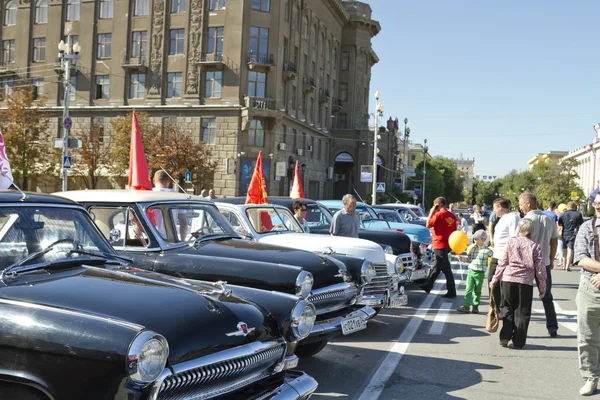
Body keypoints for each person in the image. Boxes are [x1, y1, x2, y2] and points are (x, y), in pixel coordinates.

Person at [490, 218, 546, 349]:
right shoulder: (535, 246)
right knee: (522, 311)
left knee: (507, 308)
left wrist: (495, 279)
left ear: (519, 230)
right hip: (525, 282)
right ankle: (519, 341)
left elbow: (502, 262)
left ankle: (505, 337)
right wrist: (542, 287)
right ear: (532, 231)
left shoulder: (511, 242)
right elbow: (540, 269)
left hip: (508, 279)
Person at [519, 192, 559, 337]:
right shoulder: (548, 219)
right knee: (547, 296)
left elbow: (521, 244)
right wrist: (552, 258)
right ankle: (552, 327)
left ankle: (521, 329)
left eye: (521, 204)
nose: (521, 208)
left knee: (524, 297)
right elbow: (554, 241)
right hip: (545, 263)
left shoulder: (526, 220)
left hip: (527, 264)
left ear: (528, 204)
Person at [573, 194, 600, 396]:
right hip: (590, 287)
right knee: (587, 336)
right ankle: (591, 377)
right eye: (596, 202)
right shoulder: (586, 227)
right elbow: (581, 258)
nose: (598, 205)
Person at [421, 197, 458, 298]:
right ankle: (428, 285)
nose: (434, 207)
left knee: (446, 269)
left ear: (438, 205)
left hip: (439, 244)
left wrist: (431, 212)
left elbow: (428, 224)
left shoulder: (438, 214)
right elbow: (455, 230)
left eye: (434, 205)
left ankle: (451, 291)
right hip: (448, 244)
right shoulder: (451, 216)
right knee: (437, 267)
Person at [489, 197, 520, 312]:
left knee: (501, 284)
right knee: (492, 282)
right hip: (497, 254)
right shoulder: (502, 218)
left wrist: (509, 258)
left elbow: (514, 238)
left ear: (499, 207)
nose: (493, 211)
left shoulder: (513, 218)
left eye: (494, 208)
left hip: (505, 257)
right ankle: (497, 308)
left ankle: (502, 309)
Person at [457, 229, 493, 314]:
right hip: (471, 271)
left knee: (477, 290)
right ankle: (466, 306)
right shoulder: (472, 248)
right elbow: (469, 259)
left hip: (480, 273)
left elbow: (494, 257)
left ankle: (475, 306)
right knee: (468, 289)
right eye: (474, 238)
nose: (475, 240)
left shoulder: (487, 250)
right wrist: (461, 258)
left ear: (483, 239)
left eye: (477, 239)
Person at [149, 170, 188, 240]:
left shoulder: (146, 195)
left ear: (153, 180)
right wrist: (182, 241)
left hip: (151, 239)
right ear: (169, 181)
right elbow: (183, 223)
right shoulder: (178, 197)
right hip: (171, 239)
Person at [559, 201, 584, 271]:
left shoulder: (563, 214)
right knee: (570, 249)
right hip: (573, 234)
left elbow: (560, 223)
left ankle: (563, 265)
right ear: (574, 207)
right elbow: (582, 224)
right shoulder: (578, 214)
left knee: (564, 249)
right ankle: (568, 266)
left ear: (568, 207)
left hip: (564, 234)